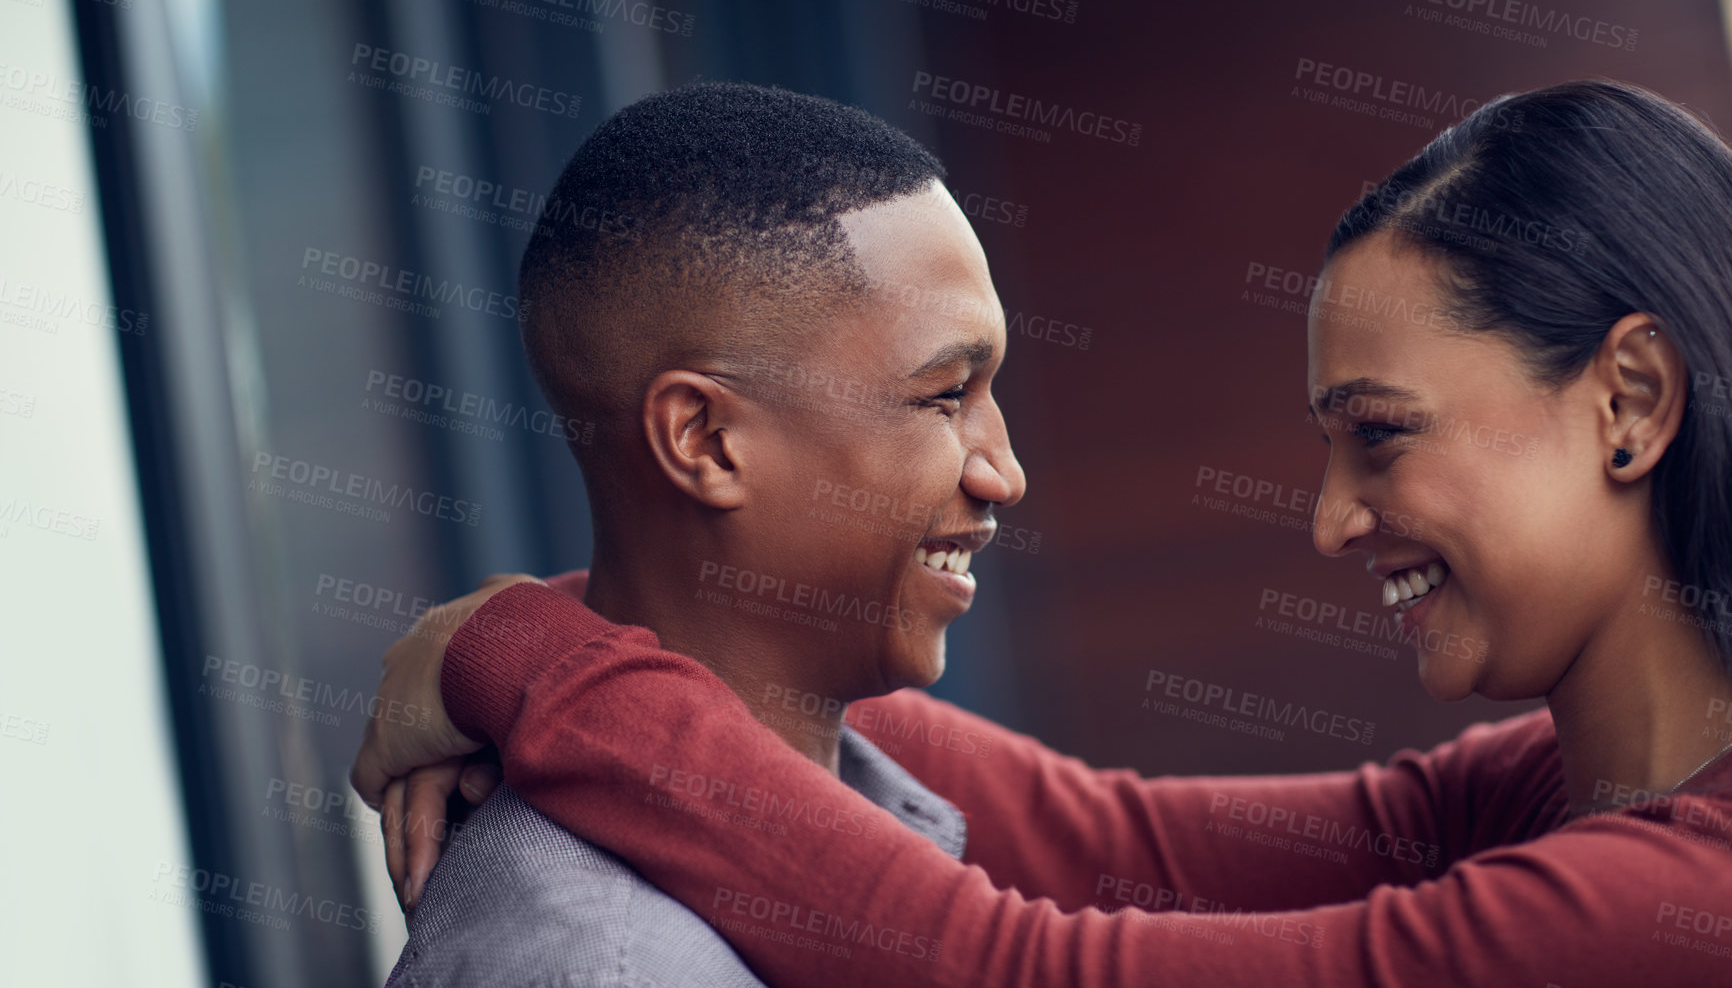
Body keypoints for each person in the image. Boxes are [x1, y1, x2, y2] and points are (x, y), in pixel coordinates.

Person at [354, 79, 1732, 987]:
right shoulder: (1549, 797)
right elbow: (1109, 834)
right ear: (702, 443)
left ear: (1630, 400)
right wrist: (561, 634)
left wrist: (535, 656)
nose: (1329, 520)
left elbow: (1015, 970)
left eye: (1382, 432)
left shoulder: (1674, 905)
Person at [371, 80, 1025, 986]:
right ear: (707, 442)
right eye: (946, 396)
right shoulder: (605, 967)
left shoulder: (883, 802)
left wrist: (516, 647)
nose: (1003, 474)